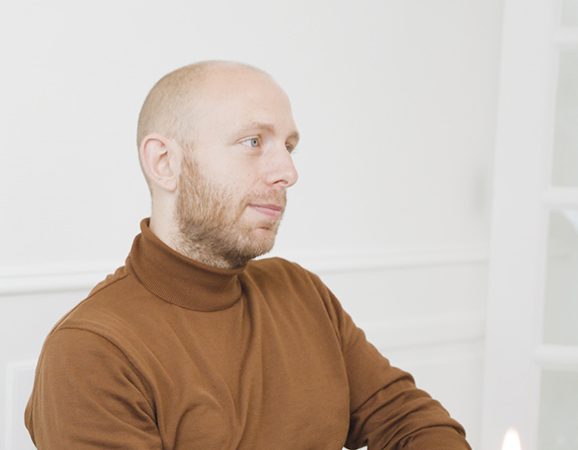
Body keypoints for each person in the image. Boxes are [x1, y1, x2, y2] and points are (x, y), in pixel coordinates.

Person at [24, 61, 471, 449]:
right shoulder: (91, 350)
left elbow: (412, 424)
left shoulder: (301, 292)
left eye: (289, 146)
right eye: (253, 141)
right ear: (164, 163)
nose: (288, 172)